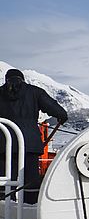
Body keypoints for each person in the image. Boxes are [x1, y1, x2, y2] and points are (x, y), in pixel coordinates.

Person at [0, 68, 68, 204]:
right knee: (31, 182)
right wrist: (62, 117)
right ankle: (30, 209)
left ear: (6, 79)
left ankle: (3, 212)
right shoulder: (35, 92)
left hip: (4, 145)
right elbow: (60, 112)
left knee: (5, 181)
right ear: (23, 79)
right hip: (29, 145)